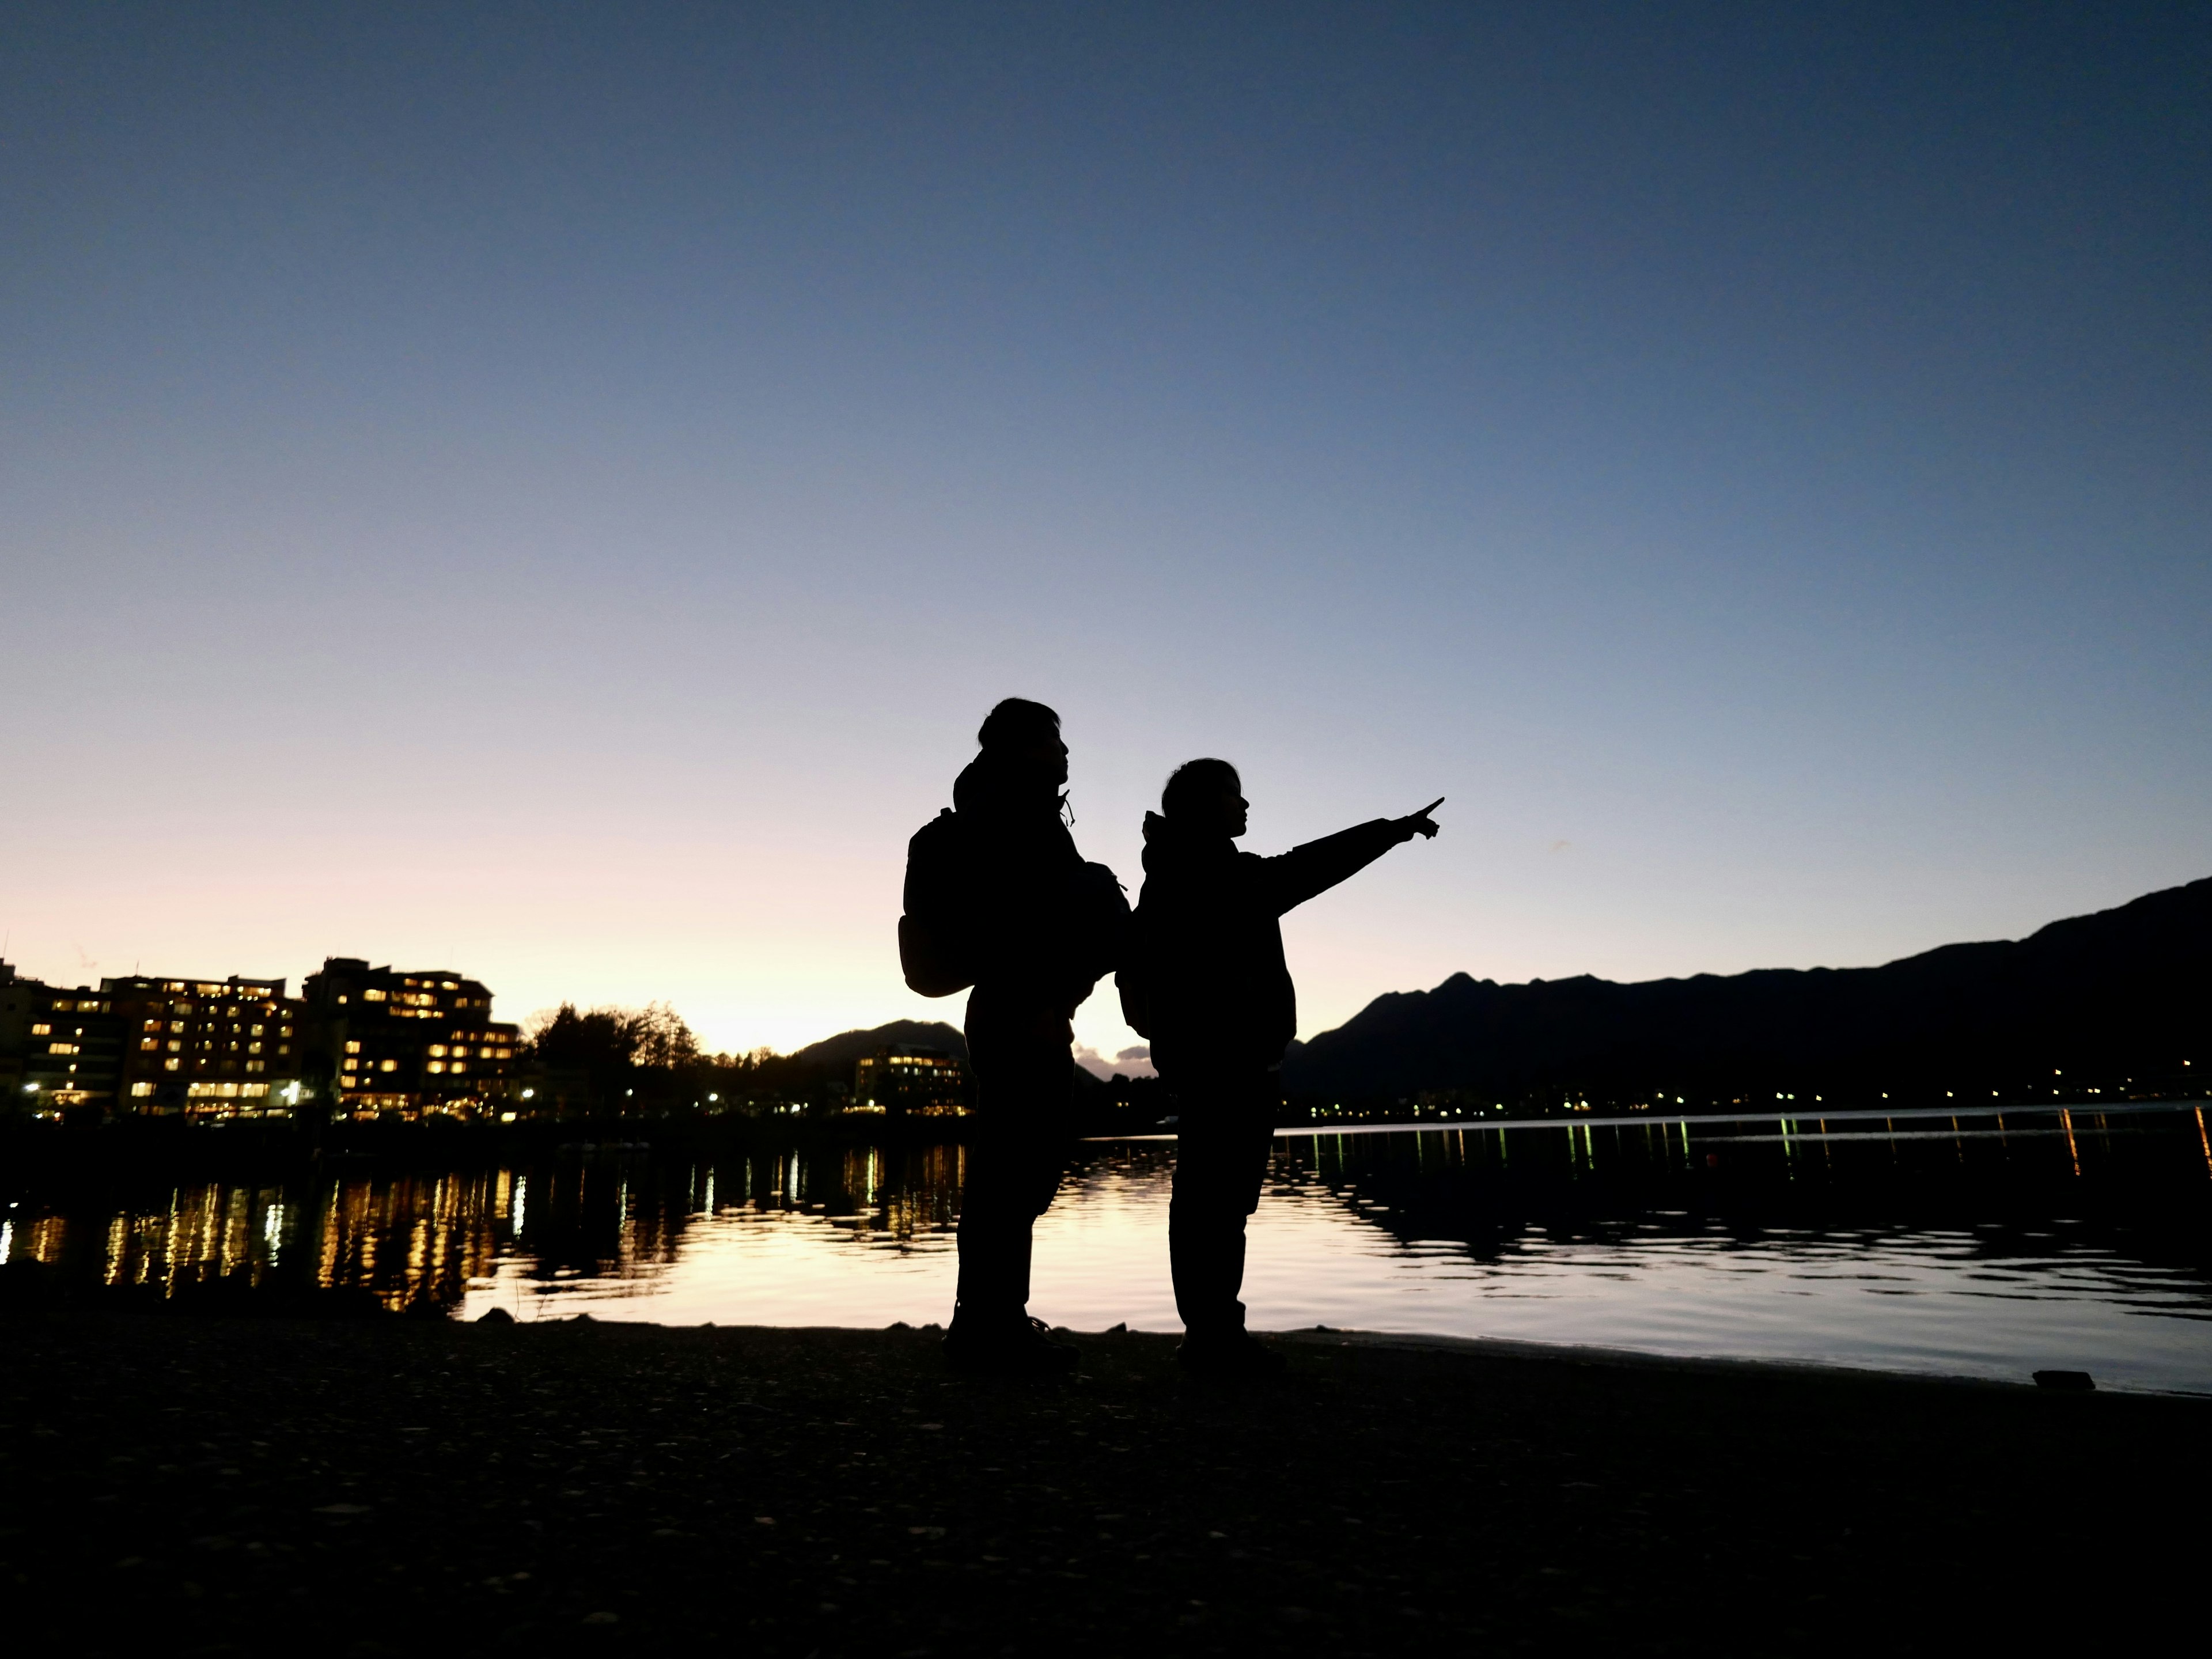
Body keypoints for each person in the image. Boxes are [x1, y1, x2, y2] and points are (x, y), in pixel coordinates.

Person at [1122, 760, 1440, 1374]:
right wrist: (1387, 833)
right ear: (1204, 806)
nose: (1246, 807)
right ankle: (1213, 1337)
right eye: (1234, 797)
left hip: (1211, 1058)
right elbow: (1303, 870)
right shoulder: (1207, 873)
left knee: (1210, 1198)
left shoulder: (1173, 871)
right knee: (1217, 1200)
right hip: (1226, 1061)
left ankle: (1210, 1331)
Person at [929, 698, 1123, 1374]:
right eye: (1052, 739)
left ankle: (989, 1320)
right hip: (1019, 1011)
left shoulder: (1011, 809)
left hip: (1019, 1007)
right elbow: (1014, 920)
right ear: (1018, 747)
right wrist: (1038, 1001)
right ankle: (989, 1327)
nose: (1065, 752)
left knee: (1014, 1177)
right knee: (1013, 1177)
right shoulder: (1011, 814)